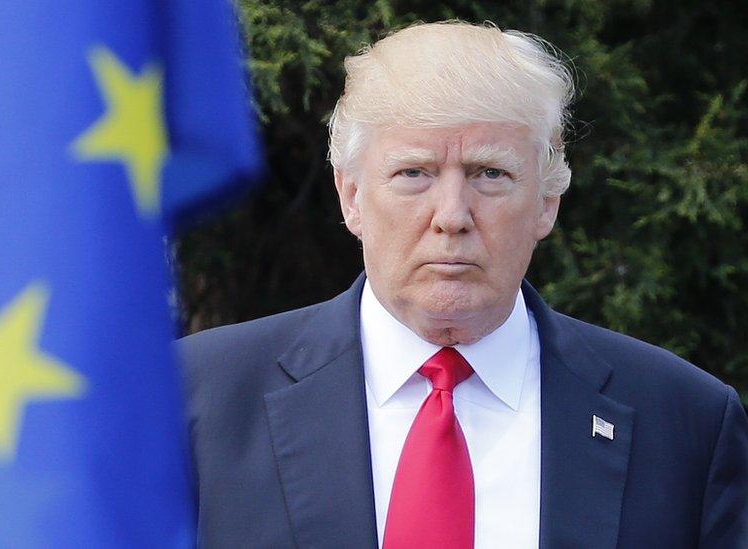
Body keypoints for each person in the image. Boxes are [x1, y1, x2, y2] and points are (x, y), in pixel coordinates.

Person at [179, 21, 748, 548]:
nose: (452, 214)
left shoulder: (685, 423)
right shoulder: (195, 399)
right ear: (351, 195)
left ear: (546, 202)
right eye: (413, 174)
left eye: (489, 174)